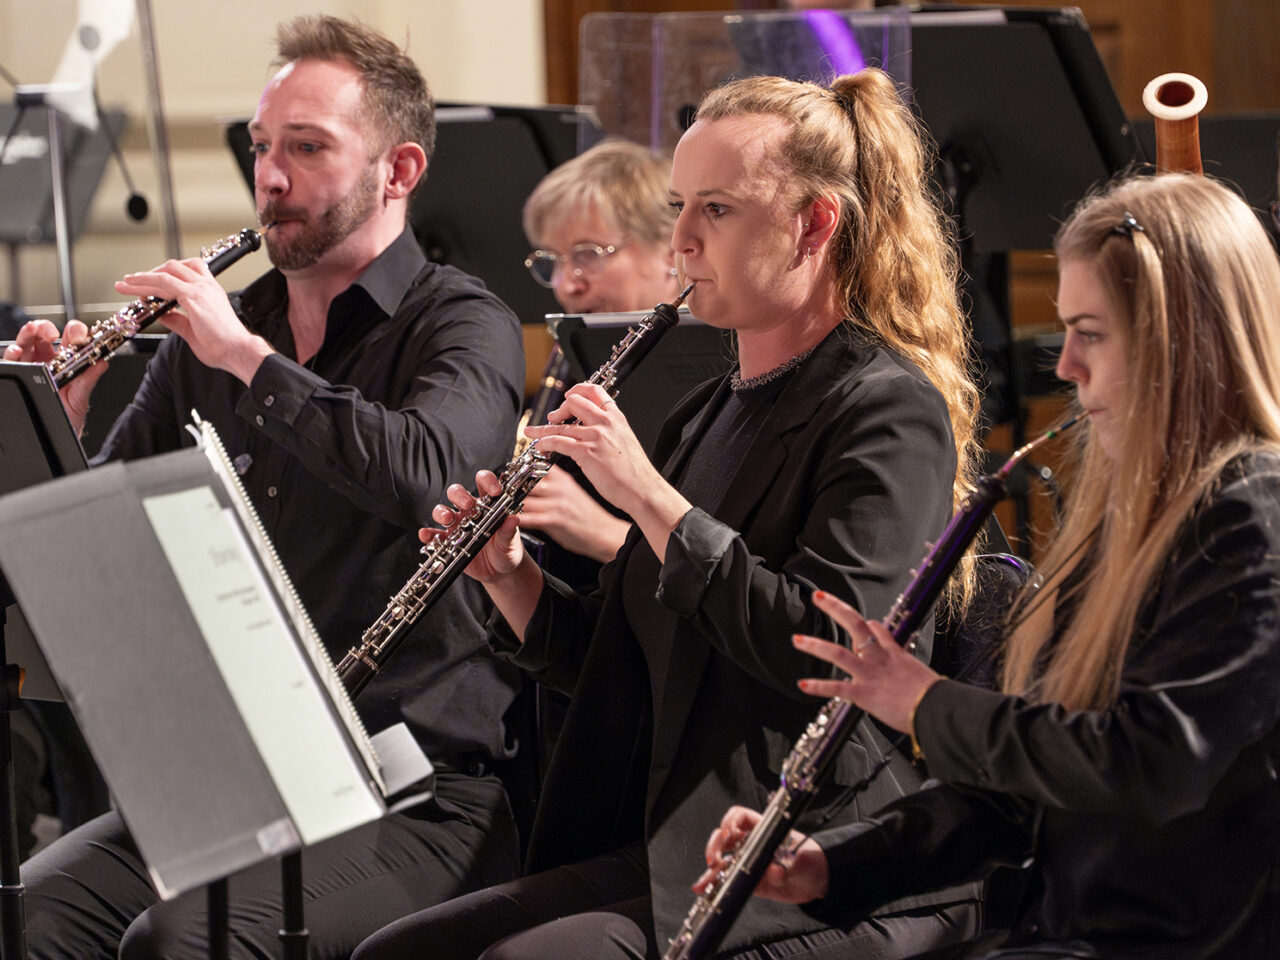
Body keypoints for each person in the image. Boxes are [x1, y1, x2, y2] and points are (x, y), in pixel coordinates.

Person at [353, 68, 983, 960]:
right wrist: (513, 579)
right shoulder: (711, 408)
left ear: (814, 225)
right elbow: (639, 660)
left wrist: (651, 497)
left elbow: (835, 654)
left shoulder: (886, 409)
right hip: (677, 835)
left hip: (808, 849)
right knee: (397, 953)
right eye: (682, 205)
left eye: (716, 211)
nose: (682, 240)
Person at [6, 15, 526, 960]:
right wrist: (60, 428)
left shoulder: (463, 324)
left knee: (180, 944)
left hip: (413, 791)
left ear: (398, 170)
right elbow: (107, 558)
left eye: (308, 148)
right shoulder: (215, 339)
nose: (271, 178)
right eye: (261, 148)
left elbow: (437, 478)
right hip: (237, 784)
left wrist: (251, 363)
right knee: (28, 918)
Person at [703, 171, 1280, 959]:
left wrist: (929, 706)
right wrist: (827, 863)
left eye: (1093, 332)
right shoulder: (1128, 520)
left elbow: (1148, 764)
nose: (1066, 365)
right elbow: (1019, 797)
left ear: (1188, 341)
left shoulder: (1252, 516)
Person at [517, 138, 681, 566]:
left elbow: (728, 576)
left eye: (588, 254)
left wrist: (601, 533)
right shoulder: (578, 364)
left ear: (670, 251)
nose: (567, 284)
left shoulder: (712, 375)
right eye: (554, 259)